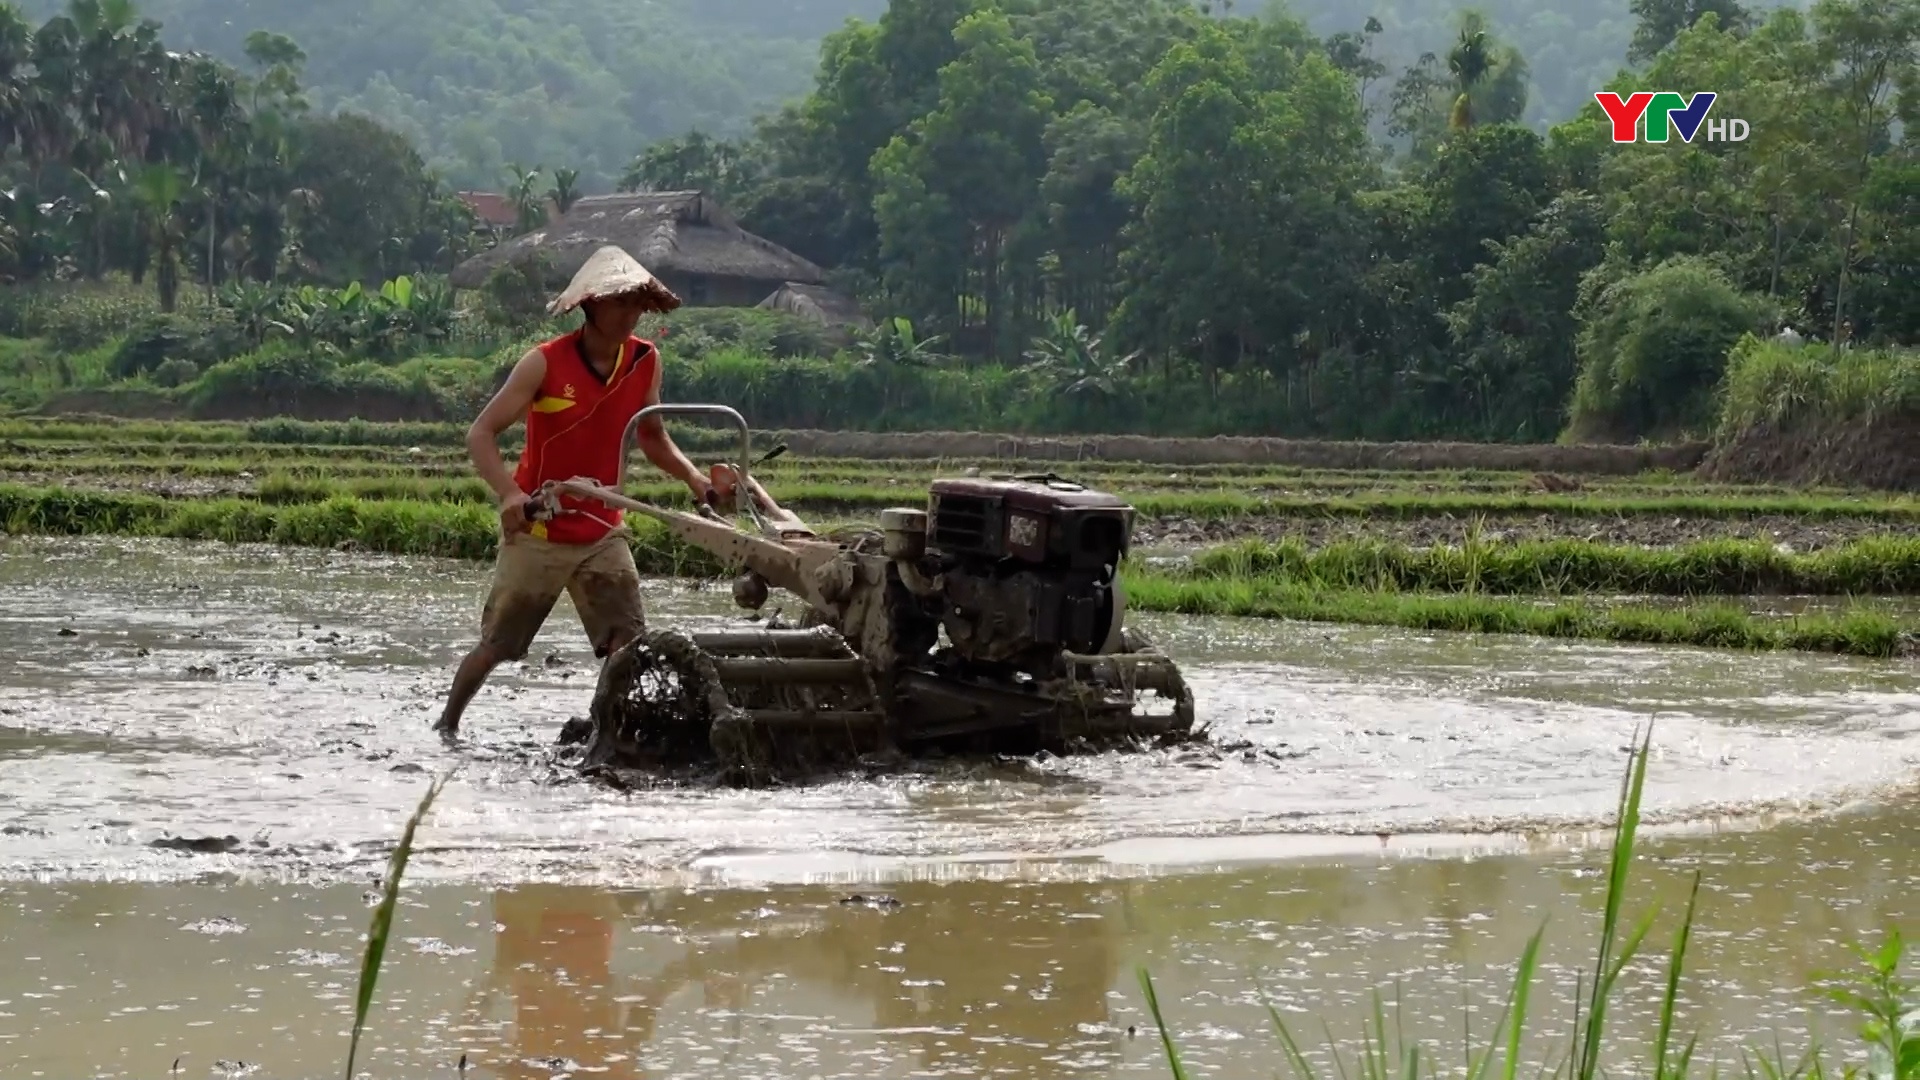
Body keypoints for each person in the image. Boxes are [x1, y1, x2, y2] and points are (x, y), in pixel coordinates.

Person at [434, 246, 714, 737]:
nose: (631, 316)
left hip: (603, 527)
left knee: (627, 642)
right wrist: (507, 495)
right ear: (590, 306)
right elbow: (481, 433)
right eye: (620, 304)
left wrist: (695, 479)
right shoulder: (543, 364)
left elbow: (653, 436)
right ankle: (447, 724)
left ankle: (605, 732)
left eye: (637, 305)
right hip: (540, 525)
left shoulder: (646, 361)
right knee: (499, 644)